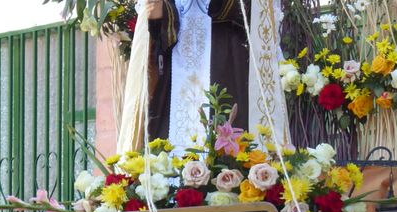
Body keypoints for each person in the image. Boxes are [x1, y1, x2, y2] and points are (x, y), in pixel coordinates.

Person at [118, 0, 288, 152]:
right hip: (177, 65)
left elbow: (252, 11)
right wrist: (160, 12)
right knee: (168, 143)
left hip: (225, 54)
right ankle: (170, 179)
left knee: (228, 132)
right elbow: (165, 24)